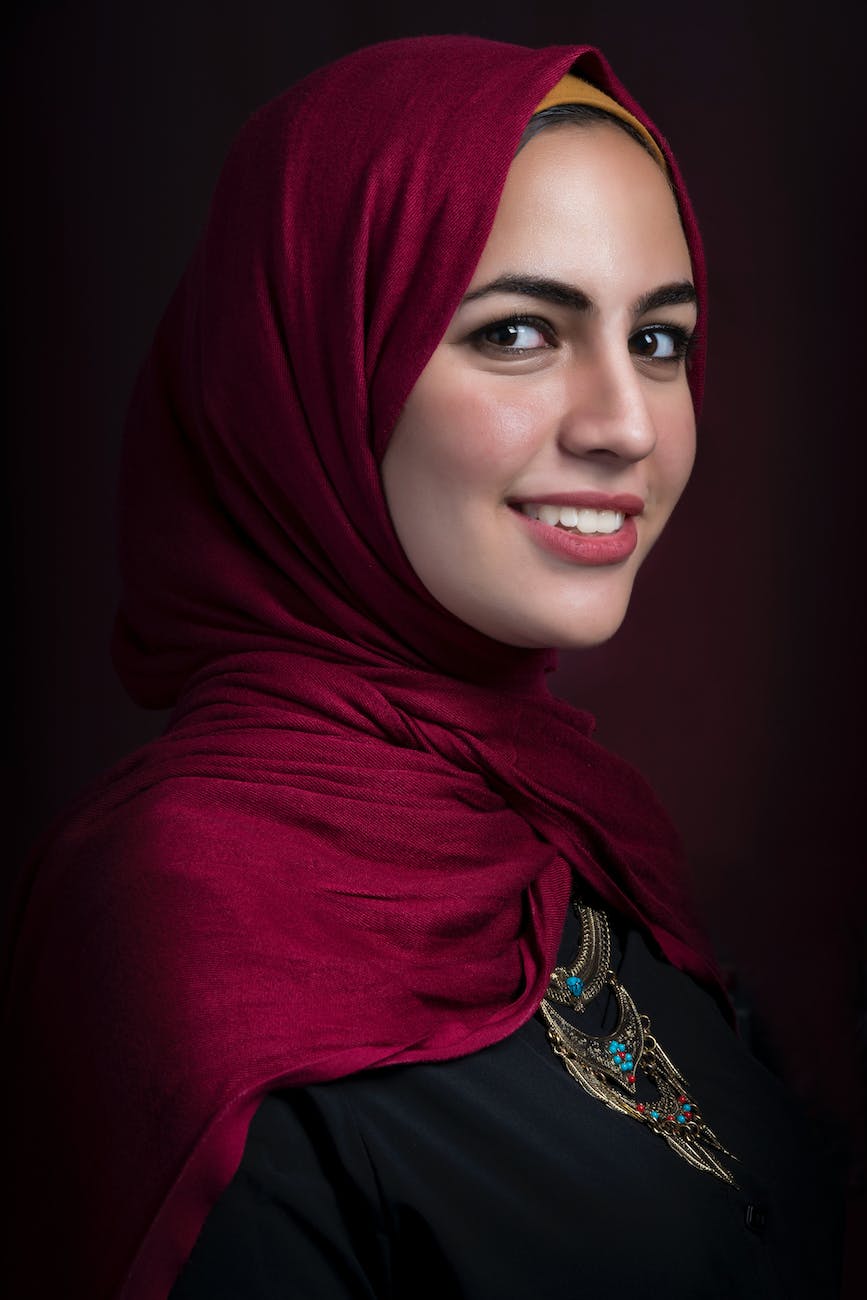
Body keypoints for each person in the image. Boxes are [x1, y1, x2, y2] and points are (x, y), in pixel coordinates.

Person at [4, 35, 843, 1300]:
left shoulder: (566, 826)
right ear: (313, 368)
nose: (624, 423)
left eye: (660, 342)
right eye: (517, 330)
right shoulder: (178, 916)